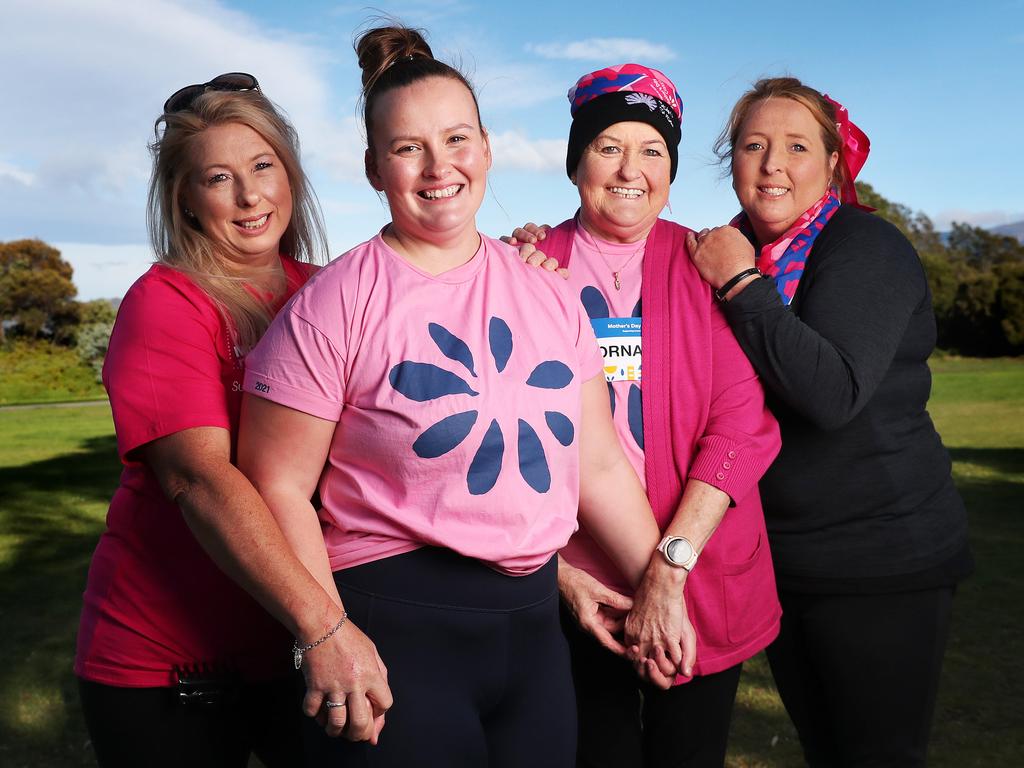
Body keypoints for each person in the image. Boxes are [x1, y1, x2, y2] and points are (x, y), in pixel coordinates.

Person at [235, 26, 663, 768]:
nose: (439, 167)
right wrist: (326, 635)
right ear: (374, 168)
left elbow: (596, 467)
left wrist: (666, 584)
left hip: (532, 638)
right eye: (408, 148)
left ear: (488, 150)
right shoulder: (336, 302)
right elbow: (274, 486)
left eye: (457, 139)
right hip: (392, 633)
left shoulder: (549, 295)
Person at [687, 77, 973, 767]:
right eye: (753, 145)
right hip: (780, 559)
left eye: (795, 146)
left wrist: (740, 285)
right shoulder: (720, 251)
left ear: (832, 163)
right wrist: (548, 250)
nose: (772, 164)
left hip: (880, 559)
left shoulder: (862, 246)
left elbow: (833, 392)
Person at [506, 63, 782, 767]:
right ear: (575, 163)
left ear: (672, 169)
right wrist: (560, 572)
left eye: (652, 150)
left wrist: (668, 569)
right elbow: (506, 448)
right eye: (607, 147)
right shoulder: (524, 270)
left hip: (703, 574)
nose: (631, 169)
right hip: (579, 591)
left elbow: (741, 424)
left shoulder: (707, 263)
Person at [73, 73, 346, 767]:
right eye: (219, 178)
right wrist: (326, 628)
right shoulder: (164, 304)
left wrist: (522, 263)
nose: (251, 196)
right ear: (185, 200)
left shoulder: (331, 292)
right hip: (172, 660)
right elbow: (200, 481)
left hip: (295, 641)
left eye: (263, 167)